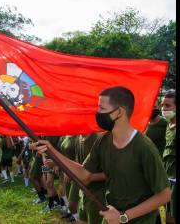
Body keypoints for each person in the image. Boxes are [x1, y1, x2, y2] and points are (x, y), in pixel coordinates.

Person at [34, 86, 171, 224]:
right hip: (111, 216)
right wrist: (51, 150)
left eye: (102, 108)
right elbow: (83, 174)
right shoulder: (104, 140)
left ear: (119, 112)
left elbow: (164, 194)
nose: (97, 113)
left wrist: (123, 216)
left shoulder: (144, 147)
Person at [160, 90, 176, 223]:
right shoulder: (169, 125)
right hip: (169, 181)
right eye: (162, 105)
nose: (163, 109)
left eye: (167, 105)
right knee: (168, 217)